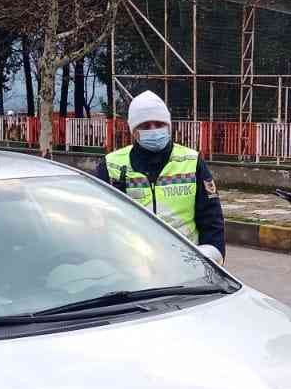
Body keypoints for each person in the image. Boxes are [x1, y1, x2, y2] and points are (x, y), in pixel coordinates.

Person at [96, 90, 225, 262]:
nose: (153, 130)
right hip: (132, 266)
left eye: (159, 124)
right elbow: (99, 225)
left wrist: (212, 262)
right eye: (145, 126)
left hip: (186, 265)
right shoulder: (111, 166)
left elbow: (212, 220)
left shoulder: (192, 162)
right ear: (134, 131)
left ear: (168, 126)